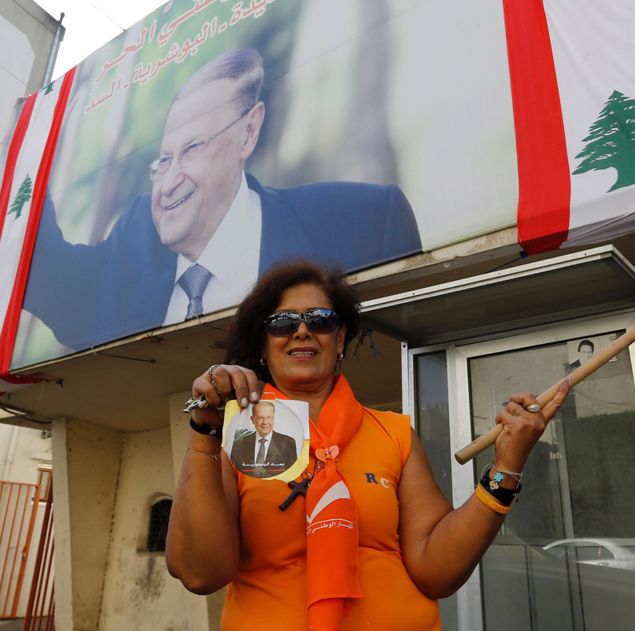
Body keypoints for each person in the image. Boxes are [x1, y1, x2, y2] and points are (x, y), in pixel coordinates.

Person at [166, 261, 570, 630]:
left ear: (340, 338)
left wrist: (506, 468)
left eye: (321, 320)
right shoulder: (233, 434)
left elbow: (437, 571)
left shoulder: (394, 432)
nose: (302, 331)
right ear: (261, 343)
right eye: (282, 322)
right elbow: (200, 572)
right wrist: (203, 428)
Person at [23, 49, 422, 352]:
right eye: (164, 160)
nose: (169, 182)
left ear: (248, 133)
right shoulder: (139, 233)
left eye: (192, 149)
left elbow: (400, 350)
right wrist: (24, 170)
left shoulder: (364, 223)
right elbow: (62, 290)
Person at [228, 401, 299, 478]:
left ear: (274, 418)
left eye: (269, 418)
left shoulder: (288, 443)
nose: (265, 422)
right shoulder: (239, 445)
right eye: (260, 418)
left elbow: (292, 474)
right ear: (252, 420)